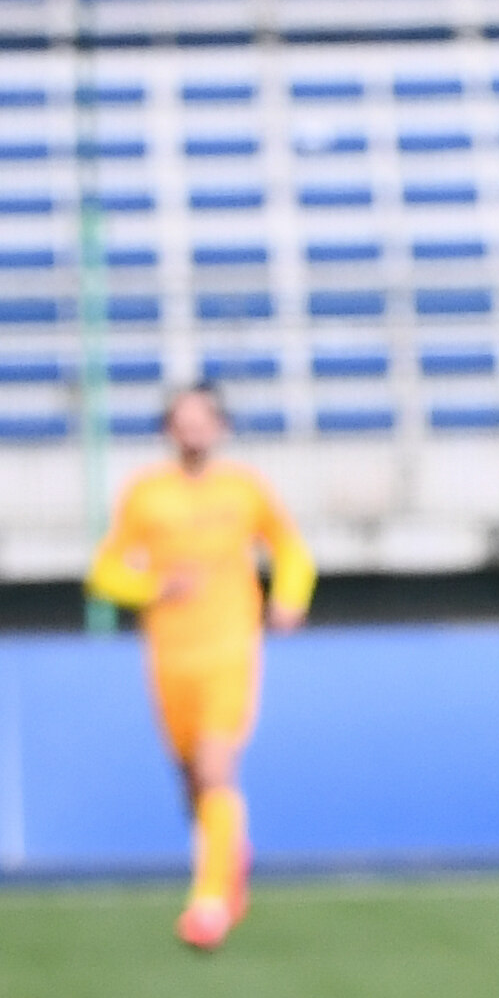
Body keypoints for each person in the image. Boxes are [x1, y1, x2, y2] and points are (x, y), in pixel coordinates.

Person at [82, 381, 311, 950]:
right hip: (168, 657)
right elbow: (105, 572)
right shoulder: (145, 495)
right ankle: (228, 860)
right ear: (168, 430)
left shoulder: (245, 488)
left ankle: (208, 904)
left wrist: (289, 595)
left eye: (202, 419)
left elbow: (290, 547)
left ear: (220, 428)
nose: (193, 429)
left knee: (215, 768)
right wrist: (156, 586)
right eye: (182, 420)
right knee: (191, 784)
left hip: (229, 649)